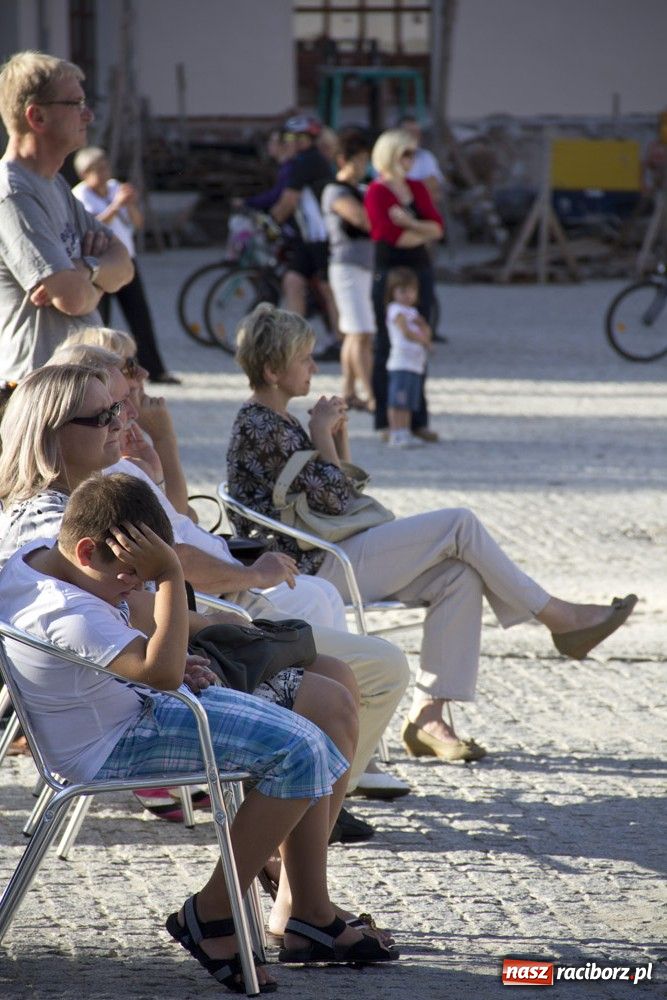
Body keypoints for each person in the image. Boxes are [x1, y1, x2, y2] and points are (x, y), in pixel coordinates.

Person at [0, 472, 399, 989]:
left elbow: (140, 650)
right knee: (303, 751)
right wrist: (167, 575)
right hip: (116, 740)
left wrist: (151, 654)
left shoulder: (36, 559)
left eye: (144, 576)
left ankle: (303, 911)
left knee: (320, 712)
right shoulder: (69, 613)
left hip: (125, 699)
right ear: (84, 550)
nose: (137, 585)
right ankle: (210, 914)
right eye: (129, 574)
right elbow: (157, 673)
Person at [227, 303, 639, 762]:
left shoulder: (278, 418)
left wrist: (333, 436)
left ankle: (429, 716)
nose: (314, 366)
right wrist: (323, 434)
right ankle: (557, 616)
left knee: (458, 576)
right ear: (272, 369)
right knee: (459, 523)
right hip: (311, 566)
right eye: (304, 358)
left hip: (329, 550)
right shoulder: (260, 425)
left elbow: (334, 489)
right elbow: (335, 501)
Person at [0, 362, 411, 804]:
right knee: (348, 683)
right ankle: (293, 818)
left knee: (331, 669)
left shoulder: (100, 486)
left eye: (118, 407)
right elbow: (136, 608)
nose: (122, 420)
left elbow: (180, 530)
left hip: (180, 644)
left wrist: (163, 458)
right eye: (103, 417)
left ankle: (300, 816)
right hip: (138, 693)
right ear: (52, 433)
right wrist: (223, 616)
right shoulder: (50, 521)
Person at [0, 51, 133, 381]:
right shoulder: (12, 193)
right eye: (75, 104)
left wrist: (85, 268)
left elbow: (125, 265)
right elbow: (71, 298)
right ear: (37, 117)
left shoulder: (55, 184)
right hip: (37, 387)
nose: (87, 115)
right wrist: (94, 279)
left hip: (75, 383)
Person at [71, 146, 179, 384]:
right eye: (97, 169)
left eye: (105, 167)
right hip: (98, 265)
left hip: (126, 260)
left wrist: (130, 204)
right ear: (84, 173)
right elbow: (92, 225)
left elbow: (138, 223)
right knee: (101, 319)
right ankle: (98, 372)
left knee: (140, 316)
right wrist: (117, 205)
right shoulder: (79, 196)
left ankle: (155, 369)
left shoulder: (114, 188)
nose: (104, 173)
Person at [364, 128, 443, 441]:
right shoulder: (377, 191)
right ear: (390, 155)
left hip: (419, 272)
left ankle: (417, 420)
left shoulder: (416, 187)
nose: (411, 160)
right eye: (405, 154)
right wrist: (417, 231)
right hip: (390, 273)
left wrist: (411, 223)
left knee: (419, 339)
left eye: (414, 154)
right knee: (387, 344)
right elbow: (391, 236)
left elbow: (437, 229)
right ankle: (386, 420)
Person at [269, 115, 340, 362]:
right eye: (288, 138)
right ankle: (296, 346)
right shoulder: (300, 161)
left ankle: (340, 341)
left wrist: (271, 222)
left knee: (328, 289)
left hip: (322, 236)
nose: (291, 142)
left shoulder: (308, 161)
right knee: (293, 282)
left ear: (307, 139)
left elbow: (288, 200)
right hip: (307, 237)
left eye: (296, 138)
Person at [321, 127, 375, 411]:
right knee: (360, 332)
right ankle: (372, 393)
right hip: (346, 265)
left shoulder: (361, 189)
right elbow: (362, 220)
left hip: (363, 265)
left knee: (357, 331)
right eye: (360, 160)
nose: (364, 166)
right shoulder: (335, 191)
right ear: (344, 160)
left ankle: (348, 391)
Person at [384, 267, 432, 449]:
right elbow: (406, 332)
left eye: (412, 290)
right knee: (398, 400)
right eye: (402, 290)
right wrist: (424, 339)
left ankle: (405, 431)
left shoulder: (412, 311)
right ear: (393, 292)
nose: (408, 295)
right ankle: (395, 432)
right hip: (401, 363)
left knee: (408, 402)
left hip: (414, 364)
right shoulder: (395, 310)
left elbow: (426, 329)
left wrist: (425, 334)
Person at [397, 115, 446, 204]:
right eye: (411, 132)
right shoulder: (389, 157)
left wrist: (408, 189)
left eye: (418, 132)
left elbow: (435, 184)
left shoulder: (426, 156)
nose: (416, 136)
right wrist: (423, 187)